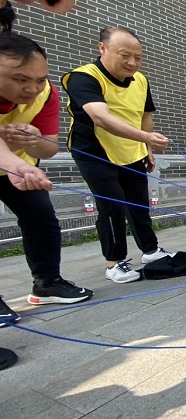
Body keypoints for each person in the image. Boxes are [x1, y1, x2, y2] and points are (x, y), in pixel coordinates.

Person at [0, 32, 93, 371]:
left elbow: (50, 147)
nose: (32, 88)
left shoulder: (46, 94)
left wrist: (33, 140)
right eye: (20, 79)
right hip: (16, 166)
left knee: (41, 218)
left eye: (39, 79)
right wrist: (14, 162)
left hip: (20, 168)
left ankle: (47, 282)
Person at [62, 27, 174, 284]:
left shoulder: (141, 80)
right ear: (102, 48)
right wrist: (146, 138)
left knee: (139, 204)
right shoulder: (83, 78)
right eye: (125, 55)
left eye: (138, 57)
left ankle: (150, 251)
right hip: (95, 152)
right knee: (111, 206)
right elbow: (100, 117)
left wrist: (146, 147)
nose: (132, 63)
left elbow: (145, 115)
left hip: (132, 150)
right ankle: (114, 263)